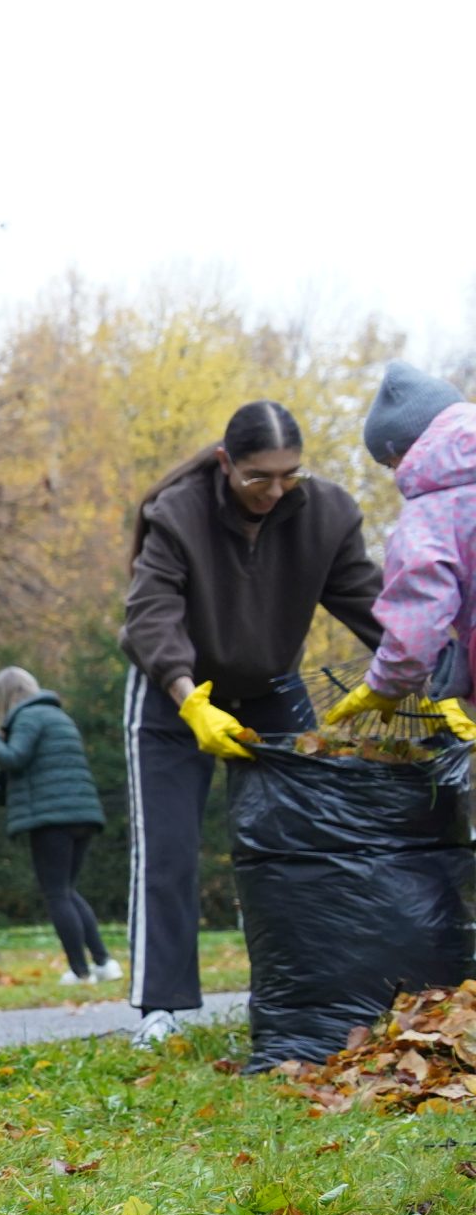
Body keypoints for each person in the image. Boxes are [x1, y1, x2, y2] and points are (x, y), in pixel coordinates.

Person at [119, 400, 382, 1047]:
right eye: (258, 476)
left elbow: (373, 604)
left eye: (290, 475)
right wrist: (189, 699)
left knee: (304, 841)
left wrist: (428, 671)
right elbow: (150, 615)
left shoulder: (327, 516)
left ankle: (303, 989)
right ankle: (161, 1008)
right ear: (225, 463)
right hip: (175, 690)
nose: (274, 490)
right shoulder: (177, 513)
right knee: (169, 847)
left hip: (270, 689)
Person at [323, 363, 476, 746]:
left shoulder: (432, 511)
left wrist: (383, 684)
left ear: (402, 452)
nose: (394, 475)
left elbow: (417, 623)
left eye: (387, 464)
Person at [0, 666, 117, 985]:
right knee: (67, 890)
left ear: (3, 697)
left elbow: (15, 758)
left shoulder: (28, 717)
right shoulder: (56, 716)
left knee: (56, 894)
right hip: (82, 814)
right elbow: (37, 773)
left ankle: (80, 972)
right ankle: (104, 963)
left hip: (53, 820)